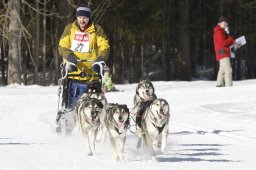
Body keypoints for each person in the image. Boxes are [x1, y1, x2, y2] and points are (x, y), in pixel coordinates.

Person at [56, 3, 110, 126]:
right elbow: (62, 45)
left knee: (93, 108)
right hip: (73, 73)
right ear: (76, 17)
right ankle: (68, 127)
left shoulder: (97, 30)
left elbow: (104, 46)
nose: (82, 20)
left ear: (89, 17)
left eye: (85, 17)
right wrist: (69, 56)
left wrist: (100, 58)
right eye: (80, 17)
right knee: (71, 107)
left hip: (92, 75)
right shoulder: (69, 29)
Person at [213, 16, 237, 87]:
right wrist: (232, 38)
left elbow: (227, 42)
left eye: (226, 22)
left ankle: (219, 84)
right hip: (223, 52)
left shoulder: (223, 32)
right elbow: (224, 43)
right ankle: (229, 85)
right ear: (219, 23)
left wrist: (233, 41)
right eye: (223, 22)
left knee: (222, 70)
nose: (225, 23)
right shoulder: (218, 32)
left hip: (223, 52)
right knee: (228, 70)